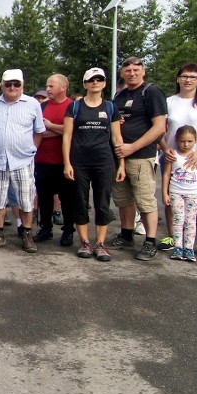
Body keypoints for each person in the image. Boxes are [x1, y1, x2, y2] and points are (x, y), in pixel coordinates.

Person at [0, 69, 45, 253]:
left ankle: (27, 233)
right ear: (2, 85)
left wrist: (32, 151)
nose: (12, 87)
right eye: (8, 84)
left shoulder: (32, 104)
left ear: (22, 85)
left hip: (22, 161)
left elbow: (39, 131)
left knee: (26, 200)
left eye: (16, 84)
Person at [158, 63, 197, 259]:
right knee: (171, 197)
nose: (188, 80)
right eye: (184, 76)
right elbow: (160, 128)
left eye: (193, 77)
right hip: (173, 157)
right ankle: (172, 237)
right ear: (178, 79)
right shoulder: (169, 101)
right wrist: (164, 146)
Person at [62, 67, 125, 262]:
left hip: (103, 161)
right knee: (80, 202)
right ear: (85, 84)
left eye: (99, 79)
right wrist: (67, 163)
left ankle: (100, 244)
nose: (95, 82)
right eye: (91, 80)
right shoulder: (75, 107)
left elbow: (117, 138)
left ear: (105, 83)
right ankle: (84, 243)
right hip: (79, 161)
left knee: (102, 203)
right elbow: (67, 136)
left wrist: (121, 164)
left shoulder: (110, 107)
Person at [108, 57, 167, 262]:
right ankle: (126, 234)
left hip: (141, 156)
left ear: (143, 71)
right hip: (119, 157)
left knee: (145, 200)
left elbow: (159, 127)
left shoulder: (151, 92)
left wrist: (132, 146)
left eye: (136, 69)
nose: (131, 73)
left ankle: (150, 241)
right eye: (127, 70)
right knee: (123, 199)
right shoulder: (120, 95)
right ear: (122, 73)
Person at [34, 74, 76, 247]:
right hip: (43, 161)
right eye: (47, 86)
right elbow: (38, 132)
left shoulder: (73, 106)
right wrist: (63, 130)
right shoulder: (41, 107)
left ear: (63, 88)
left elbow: (75, 132)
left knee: (67, 199)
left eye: (51, 86)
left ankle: (68, 231)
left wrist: (51, 126)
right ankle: (45, 228)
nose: (48, 89)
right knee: (44, 198)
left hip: (65, 162)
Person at [162, 125, 197, 262]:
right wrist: (165, 193)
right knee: (178, 220)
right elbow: (166, 175)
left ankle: (188, 248)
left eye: (189, 141)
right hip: (176, 192)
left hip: (193, 193)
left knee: (191, 221)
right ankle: (177, 247)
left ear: (195, 140)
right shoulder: (173, 155)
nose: (186, 144)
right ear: (177, 140)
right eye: (182, 141)